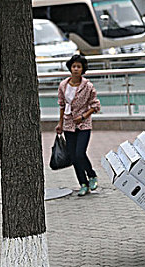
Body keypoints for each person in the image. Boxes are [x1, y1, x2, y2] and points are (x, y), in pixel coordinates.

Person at [56, 54, 101, 197]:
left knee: (80, 153)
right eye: (74, 66)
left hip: (84, 124)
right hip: (68, 124)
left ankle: (92, 175)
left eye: (79, 67)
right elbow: (62, 105)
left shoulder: (88, 86)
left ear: (83, 69)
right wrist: (60, 123)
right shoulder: (63, 85)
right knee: (74, 157)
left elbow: (95, 106)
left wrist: (83, 116)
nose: (76, 69)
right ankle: (83, 183)